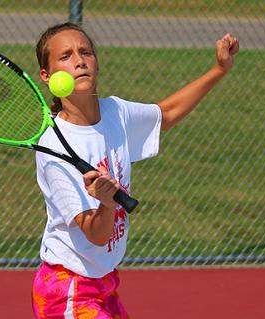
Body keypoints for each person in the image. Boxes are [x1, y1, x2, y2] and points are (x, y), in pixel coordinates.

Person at [31, 22, 239, 318]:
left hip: (103, 281)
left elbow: (166, 114)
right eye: (65, 56)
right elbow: (96, 234)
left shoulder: (116, 112)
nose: (79, 61)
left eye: (85, 51)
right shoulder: (54, 148)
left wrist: (220, 69)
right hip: (68, 289)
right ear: (47, 76)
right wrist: (106, 203)